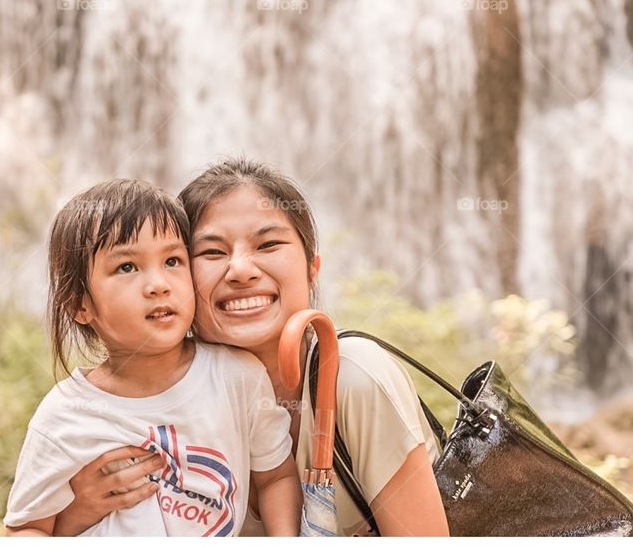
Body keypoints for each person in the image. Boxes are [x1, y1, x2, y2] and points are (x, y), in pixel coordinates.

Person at [55, 160, 450, 536]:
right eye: (211, 252)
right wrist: (76, 515)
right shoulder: (151, 402)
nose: (242, 270)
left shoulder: (355, 377)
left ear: (313, 268)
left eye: (268, 245)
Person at [3, 179, 301, 537]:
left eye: (173, 260)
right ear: (79, 304)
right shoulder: (64, 418)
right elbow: (26, 530)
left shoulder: (238, 377)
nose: (159, 284)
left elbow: (275, 477)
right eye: (127, 267)